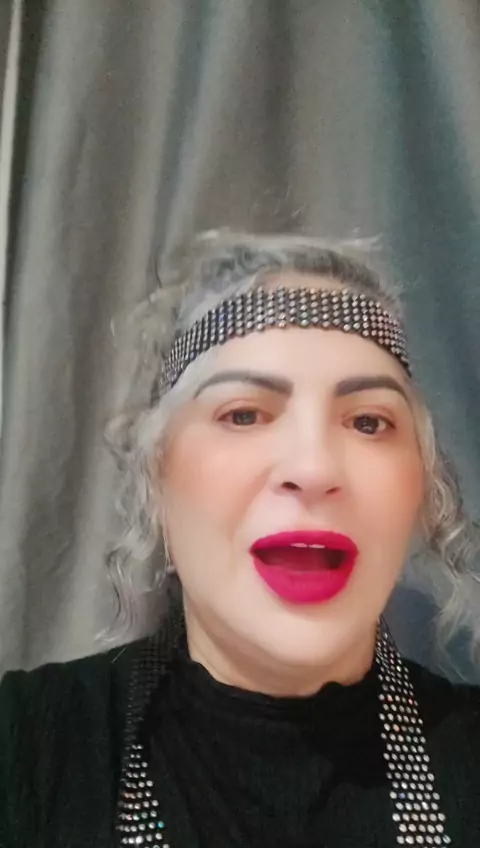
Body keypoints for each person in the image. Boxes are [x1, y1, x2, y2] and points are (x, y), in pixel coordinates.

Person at [1, 230, 480, 848]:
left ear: (419, 487)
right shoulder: (25, 747)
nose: (313, 468)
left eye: (368, 422)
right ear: (157, 483)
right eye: (244, 415)